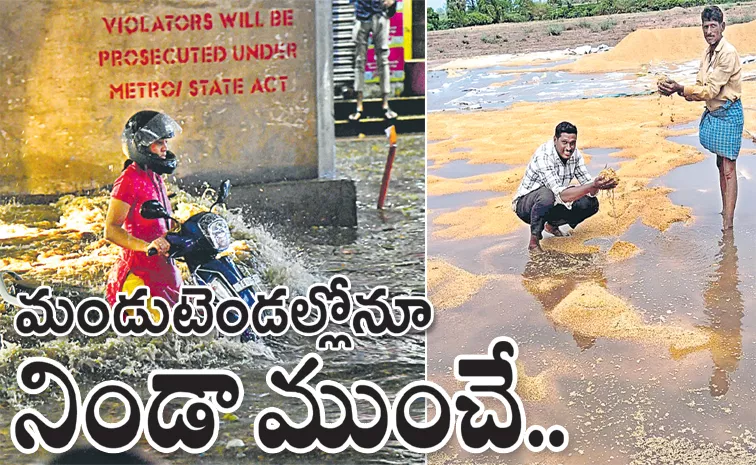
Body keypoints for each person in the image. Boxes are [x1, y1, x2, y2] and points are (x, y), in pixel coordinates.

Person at [658, 5, 743, 230]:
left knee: (729, 168)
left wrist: (680, 88)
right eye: (705, 27)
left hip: (728, 113)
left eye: (713, 26)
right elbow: (699, 86)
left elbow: (711, 91)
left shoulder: (728, 53)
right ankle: (726, 209)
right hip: (715, 113)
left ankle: (728, 222)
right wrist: (676, 89)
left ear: (722, 27)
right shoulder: (707, 53)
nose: (708, 31)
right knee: (720, 164)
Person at [104, 111, 183, 319]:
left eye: (165, 142)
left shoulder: (155, 175)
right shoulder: (128, 180)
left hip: (164, 272)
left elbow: (162, 222)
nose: (165, 148)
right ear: (140, 145)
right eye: (159, 143)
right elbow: (111, 230)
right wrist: (147, 246)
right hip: (139, 278)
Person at [513, 122, 618, 251]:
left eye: (572, 143)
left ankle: (551, 226)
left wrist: (598, 184)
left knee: (590, 203)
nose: (569, 148)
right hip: (527, 206)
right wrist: (592, 184)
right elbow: (560, 193)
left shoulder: (575, 155)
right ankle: (534, 242)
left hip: (553, 201)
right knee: (546, 195)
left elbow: (587, 185)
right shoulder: (544, 156)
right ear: (555, 140)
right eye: (564, 142)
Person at [348, 0, 397, 121]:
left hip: (380, 14)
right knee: (359, 61)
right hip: (361, 16)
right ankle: (359, 105)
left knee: (383, 60)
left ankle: (385, 104)